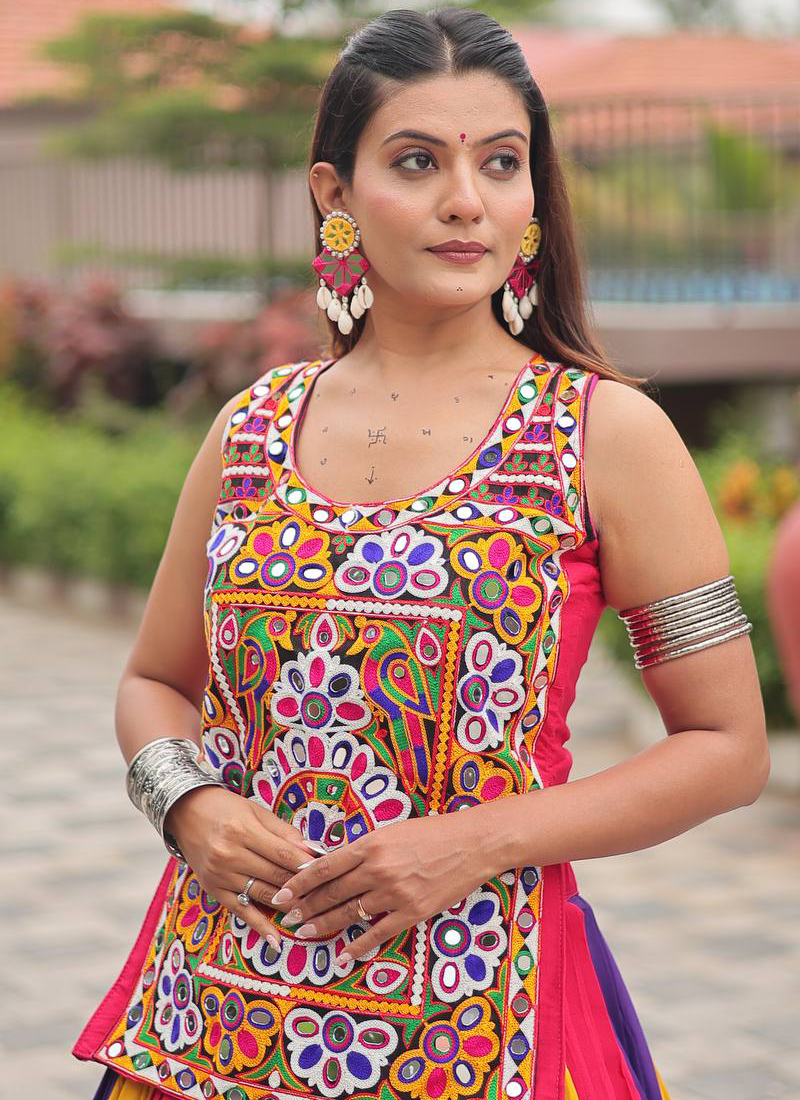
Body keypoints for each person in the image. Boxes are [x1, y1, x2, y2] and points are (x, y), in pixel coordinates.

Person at [72, 7, 769, 1099]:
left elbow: (727, 744)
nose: (465, 200)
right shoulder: (252, 427)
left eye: (500, 162)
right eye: (416, 161)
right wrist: (187, 802)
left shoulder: (605, 436)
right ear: (333, 196)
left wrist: (474, 842)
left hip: (477, 1021)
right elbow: (157, 678)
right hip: (212, 1014)